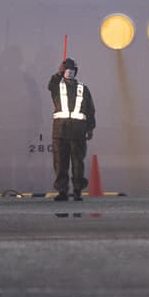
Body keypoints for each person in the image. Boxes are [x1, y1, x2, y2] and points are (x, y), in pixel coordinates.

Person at [47, 57, 96, 201]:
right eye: (67, 69)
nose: (69, 72)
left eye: (72, 69)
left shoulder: (83, 88)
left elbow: (90, 110)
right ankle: (62, 191)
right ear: (63, 71)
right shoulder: (57, 86)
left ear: (76, 71)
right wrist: (58, 73)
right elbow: (51, 85)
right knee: (60, 163)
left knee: (77, 163)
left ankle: (77, 191)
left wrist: (90, 128)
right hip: (60, 132)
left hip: (78, 132)